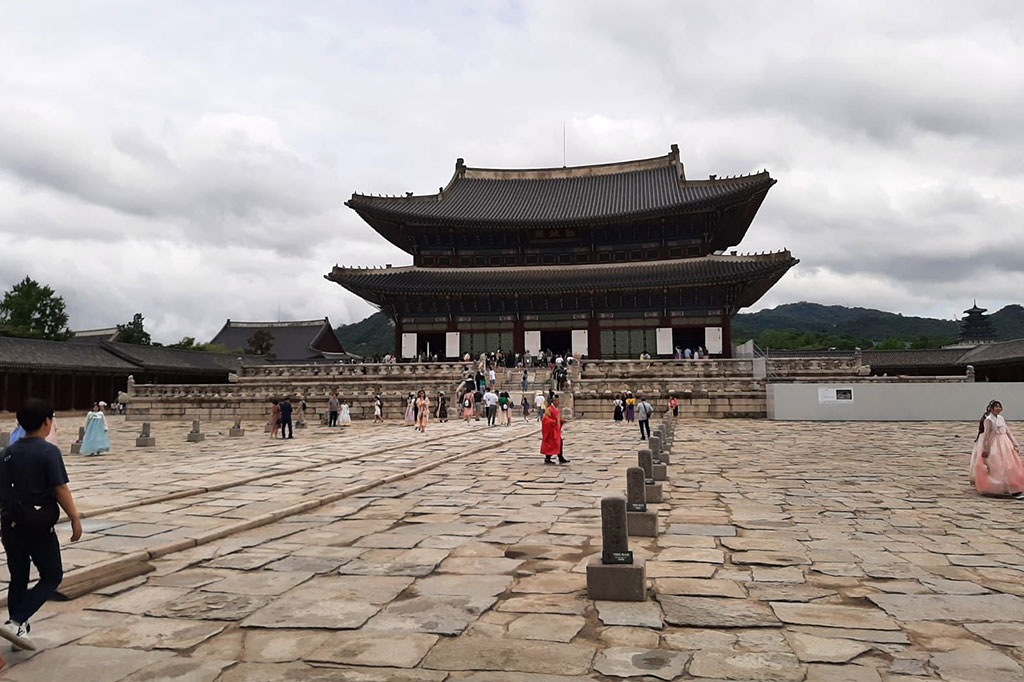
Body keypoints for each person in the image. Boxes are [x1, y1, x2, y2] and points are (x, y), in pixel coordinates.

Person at [0, 398, 83, 652]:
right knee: (52, 575)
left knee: (18, 577)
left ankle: (19, 631)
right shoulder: (48, 452)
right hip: (38, 524)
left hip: (11, 523)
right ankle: (16, 621)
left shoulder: (7, 453)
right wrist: (75, 518)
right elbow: (60, 488)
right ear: (47, 422)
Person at [974, 400, 1024, 498]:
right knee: (997, 465)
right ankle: (998, 486)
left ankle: (1012, 485)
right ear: (991, 409)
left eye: (999, 407)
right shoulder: (988, 420)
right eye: (996, 407)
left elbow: (1007, 431)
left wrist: (1014, 443)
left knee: (1010, 464)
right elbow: (987, 435)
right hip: (995, 443)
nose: (998, 409)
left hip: (1005, 442)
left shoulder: (1001, 418)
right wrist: (986, 448)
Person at [540, 394, 569, 465]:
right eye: (557, 400)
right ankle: (548, 458)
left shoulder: (557, 409)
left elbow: (557, 418)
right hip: (551, 429)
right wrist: (552, 421)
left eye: (559, 400)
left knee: (559, 442)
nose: (558, 402)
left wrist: (561, 421)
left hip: (556, 429)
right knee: (551, 444)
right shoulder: (549, 409)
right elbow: (545, 419)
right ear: (554, 401)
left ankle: (560, 457)